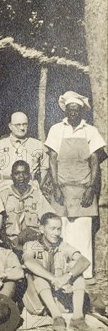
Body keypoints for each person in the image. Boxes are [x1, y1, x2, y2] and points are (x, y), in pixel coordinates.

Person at [45, 91, 106, 283]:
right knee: (60, 230)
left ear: (81, 112)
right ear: (66, 110)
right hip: (61, 187)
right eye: (70, 110)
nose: (73, 114)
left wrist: (90, 188)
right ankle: (62, 274)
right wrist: (55, 186)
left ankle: (85, 274)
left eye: (77, 110)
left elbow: (95, 161)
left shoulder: (90, 131)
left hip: (83, 188)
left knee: (83, 231)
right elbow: (52, 159)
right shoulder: (56, 129)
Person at [23, 212, 93, 331]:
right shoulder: (31, 245)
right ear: (42, 229)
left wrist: (68, 276)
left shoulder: (63, 246)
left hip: (58, 297)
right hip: (37, 301)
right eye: (52, 229)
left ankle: (77, 318)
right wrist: (54, 278)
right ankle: (57, 318)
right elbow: (28, 261)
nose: (56, 233)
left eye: (59, 229)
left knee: (77, 272)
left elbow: (84, 261)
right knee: (39, 274)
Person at [0, 160, 54, 250]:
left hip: (33, 243)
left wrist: (37, 233)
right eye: (17, 173)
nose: (21, 177)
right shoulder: (3, 196)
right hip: (8, 242)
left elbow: (50, 220)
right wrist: (6, 241)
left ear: (30, 176)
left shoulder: (37, 196)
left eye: (24, 173)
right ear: (11, 176)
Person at [0, 112, 48, 186]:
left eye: (24, 124)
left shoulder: (38, 145)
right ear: (10, 126)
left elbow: (45, 169)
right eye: (18, 125)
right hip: (6, 186)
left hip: (30, 186)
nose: (22, 128)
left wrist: (38, 187)